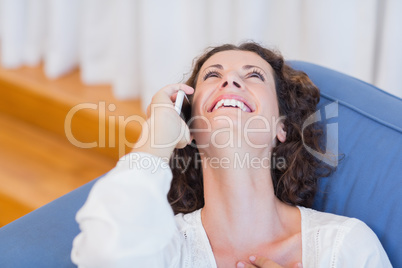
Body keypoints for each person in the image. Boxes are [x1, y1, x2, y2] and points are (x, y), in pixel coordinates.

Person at [71, 42, 391, 267]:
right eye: (213, 75)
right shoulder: (164, 246)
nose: (231, 79)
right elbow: (103, 255)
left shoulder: (346, 246)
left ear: (281, 127)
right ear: (190, 127)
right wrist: (155, 139)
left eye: (254, 75)